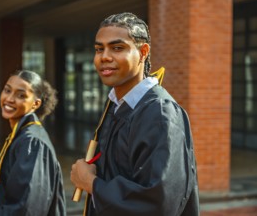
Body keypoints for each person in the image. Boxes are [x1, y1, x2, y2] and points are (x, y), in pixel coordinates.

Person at [70, 12, 200, 216]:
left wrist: (91, 183)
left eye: (117, 48)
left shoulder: (159, 113)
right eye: (99, 49)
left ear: (143, 52)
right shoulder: (116, 105)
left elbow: (158, 202)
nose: (104, 56)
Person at [0, 70, 66, 216]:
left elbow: (25, 211)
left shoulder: (32, 143)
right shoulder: (21, 134)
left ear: (35, 104)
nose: (9, 99)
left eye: (21, 95)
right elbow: (17, 185)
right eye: (7, 90)